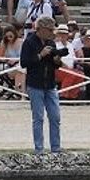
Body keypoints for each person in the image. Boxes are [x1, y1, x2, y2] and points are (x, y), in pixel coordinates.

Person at [21, 16, 63, 154]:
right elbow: (24, 62)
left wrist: (56, 60)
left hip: (50, 84)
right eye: (49, 30)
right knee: (38, 118)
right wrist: (40, 55)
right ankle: (39, 149)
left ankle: (55, 147)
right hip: (35, 84)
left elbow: (55, 65)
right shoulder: (29, 42)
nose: (52, 33)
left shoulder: (51, 42)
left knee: (55, 117)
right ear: (41, 29)